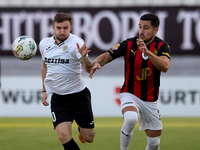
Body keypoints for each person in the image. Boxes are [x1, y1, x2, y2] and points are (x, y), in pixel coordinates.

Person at [89, 13, 170, 150]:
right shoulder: (129, 44)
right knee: (131, 118)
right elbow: (108, 55)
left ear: (155, 30)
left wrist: (147, 52)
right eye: (140, 27)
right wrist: (97, 63)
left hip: (150, 99)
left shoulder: (162, 46)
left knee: (154, 144)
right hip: (130, 92)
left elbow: (165, 66)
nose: (141, 31)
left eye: (146, 28)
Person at [39, 12, 95, 150]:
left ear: (71, 27)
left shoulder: (77, 43)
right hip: (58, 98)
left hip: (79, 96)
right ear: (53, 27)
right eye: (59, 28)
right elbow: (44, 67)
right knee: (63, 136)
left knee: (89, 138)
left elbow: (88, 69)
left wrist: (84, 57)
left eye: (65, 28)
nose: (62, 31)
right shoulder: (44, 44)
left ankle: (80, 128)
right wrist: (44, 90)